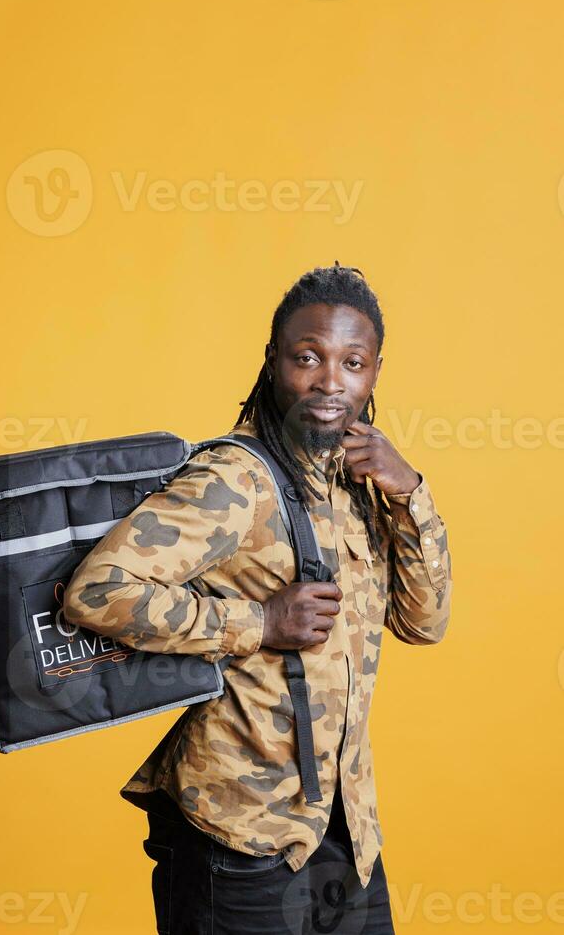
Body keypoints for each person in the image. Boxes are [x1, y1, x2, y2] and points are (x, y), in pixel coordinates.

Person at [62, 263, 453, 934]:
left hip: (342, 832)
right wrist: (260, 621)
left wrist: (410, 491)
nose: (330, 381)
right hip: (237, 836)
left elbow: (426, 621)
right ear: (274, 362)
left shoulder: (357, 484)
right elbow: (96, 593)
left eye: (351, 362)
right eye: (308, 357)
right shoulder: (236, 479)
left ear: (375, 373)